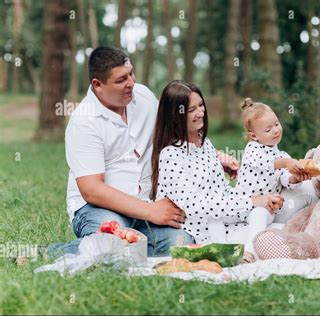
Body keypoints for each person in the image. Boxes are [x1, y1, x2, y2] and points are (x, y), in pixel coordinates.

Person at [51, 47, 239, 258]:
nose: (131, 82)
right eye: (121, 79)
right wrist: (151, 212)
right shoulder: (84, 122)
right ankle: (55, 252)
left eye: (131, 73)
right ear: (98, 85)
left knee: (184, 243)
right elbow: (92, 190)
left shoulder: (143, 97)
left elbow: (173, 132)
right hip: (97, 209)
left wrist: (214, 157)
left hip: (149, 203)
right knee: (114, 246)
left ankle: (130, 243)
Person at [149, 80, 286, 260]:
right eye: (191, 110)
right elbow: (196, 205)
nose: (200, 113)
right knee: (270, 242)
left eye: (200, 105)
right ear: (175, 115)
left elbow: (221, 192)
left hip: (227, 222)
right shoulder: (170, 156)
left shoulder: (205, 144)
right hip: (203, 234)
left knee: (282, 230)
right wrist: (252, 201)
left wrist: (251, 192)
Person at [232, 98, 317, 259]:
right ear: (254, 136)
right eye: (268, 129)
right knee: (255, 216)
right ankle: (250, 250)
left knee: (260, 215)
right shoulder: (253, 150)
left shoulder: (282, 155)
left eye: (276, 124)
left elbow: (285, 180)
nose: (276, 130)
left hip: (267, 207)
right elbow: (266, 163)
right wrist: (286, 163)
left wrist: (296, 177)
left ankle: (304, 234)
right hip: (244, 203)